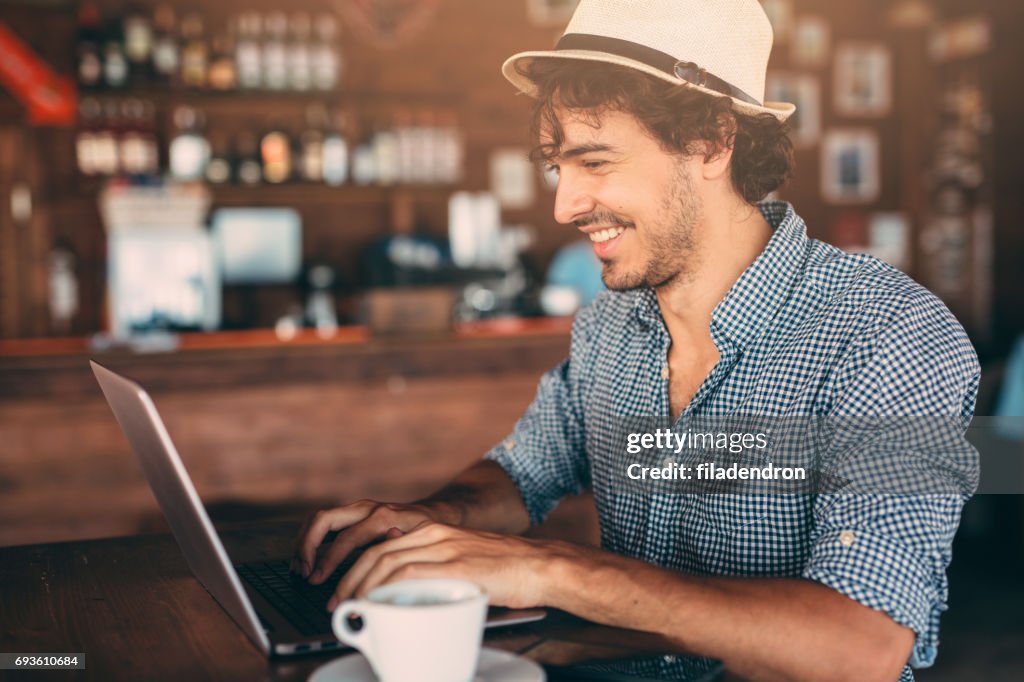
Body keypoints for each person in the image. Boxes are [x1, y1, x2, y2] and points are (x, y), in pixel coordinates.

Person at [293, 1, 980, 679]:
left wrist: (553, 569)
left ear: (712, 140)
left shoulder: (889, 335)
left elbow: (860, 646)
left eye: (595, 161)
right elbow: (522, 472)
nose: (564, 204)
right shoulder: (609, 326)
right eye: (559, 166)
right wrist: (423, 523)